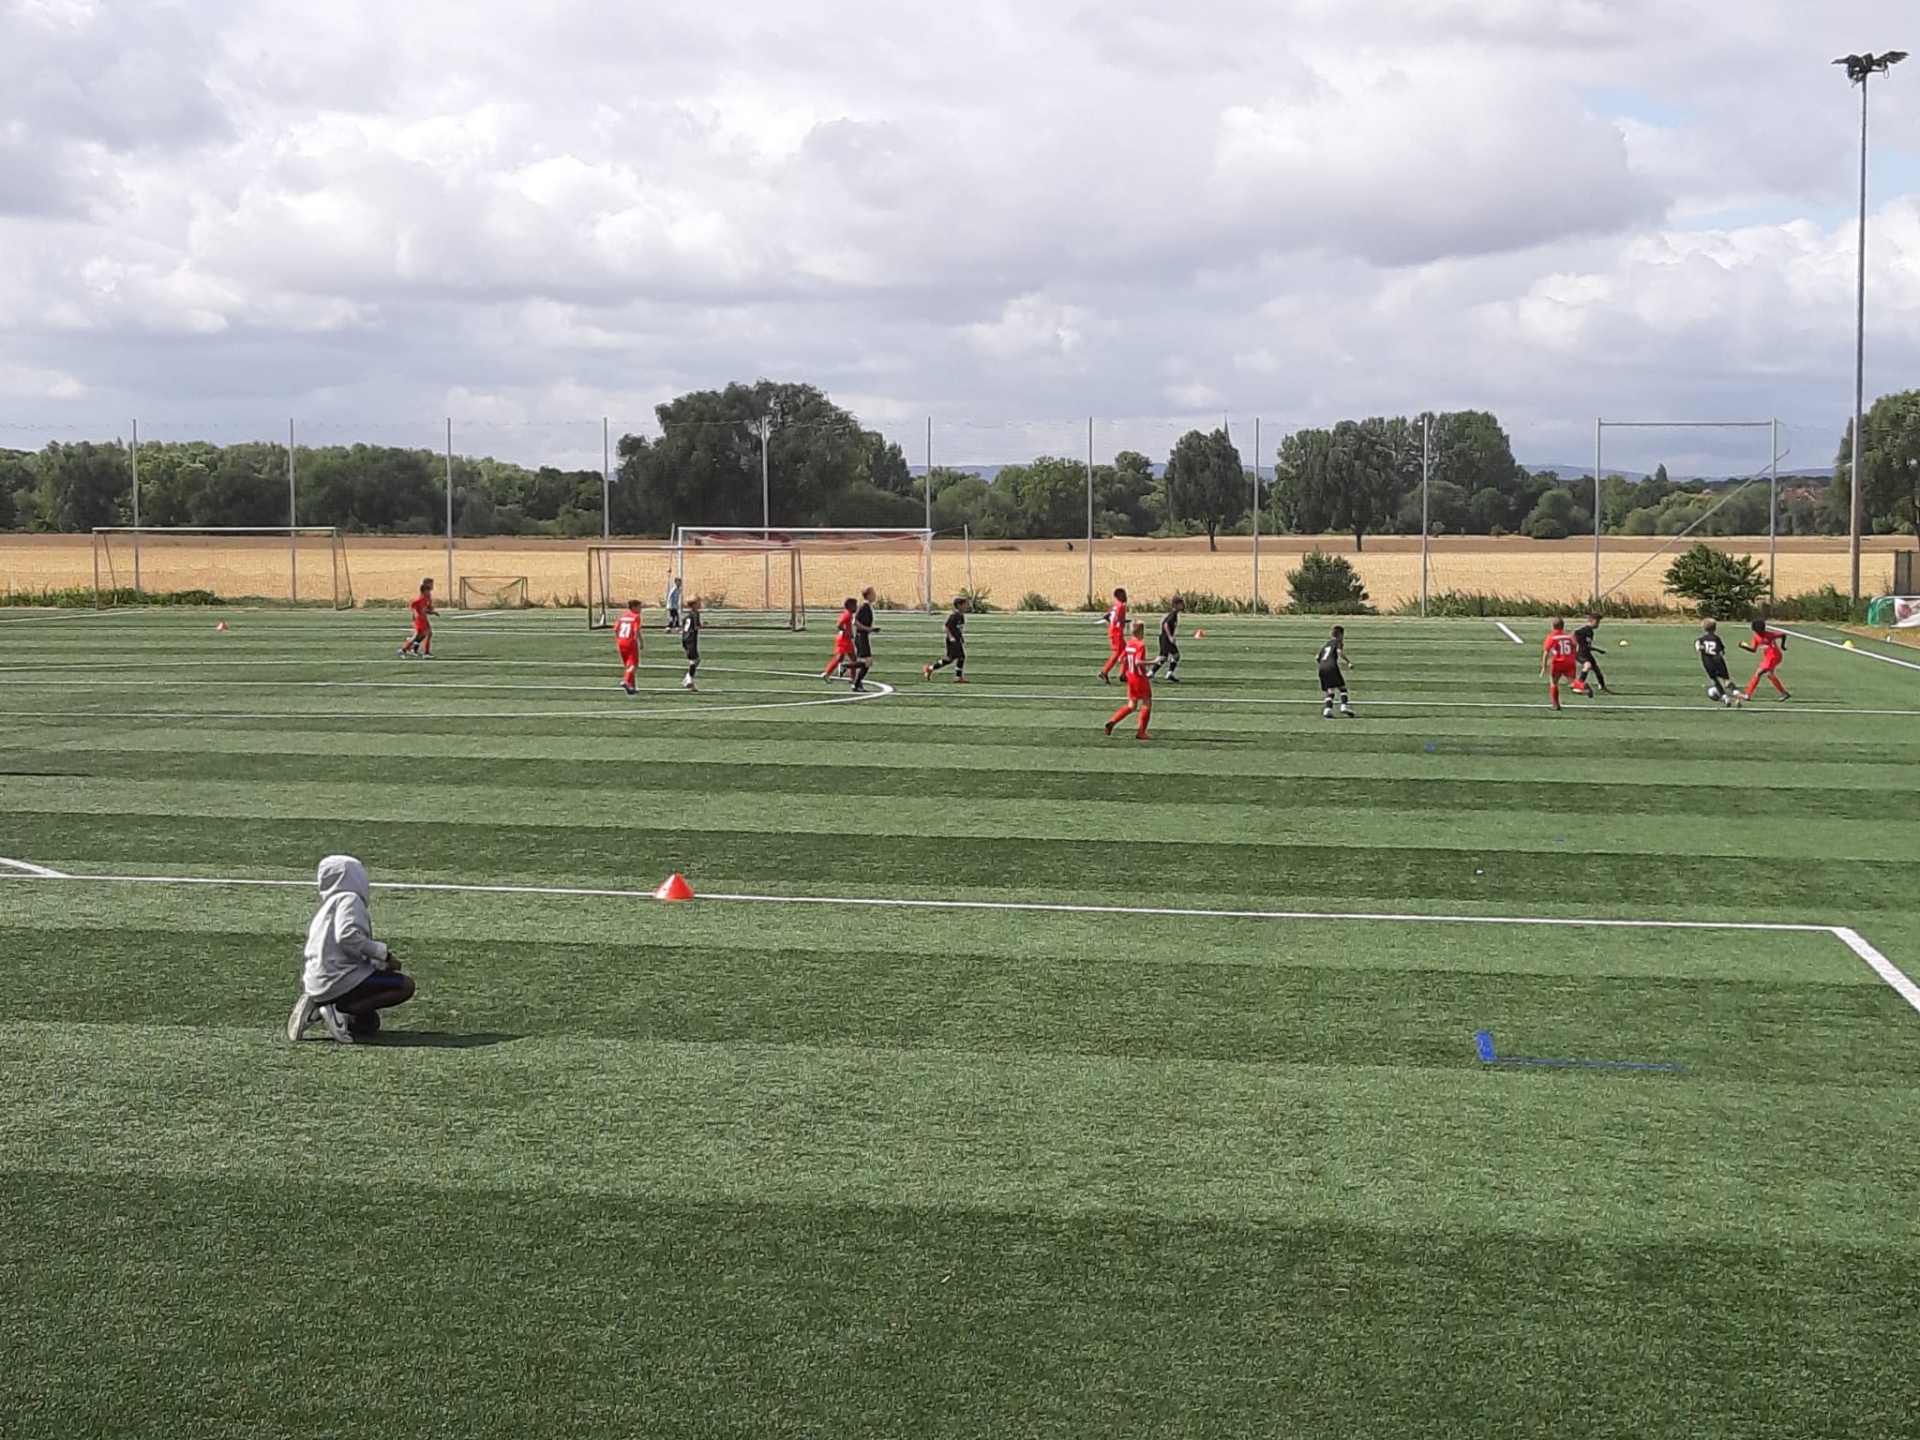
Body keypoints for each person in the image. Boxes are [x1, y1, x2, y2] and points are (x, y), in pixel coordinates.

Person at [287, 854, 415, 1044]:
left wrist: (375, 964)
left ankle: (319, 1004)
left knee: (368, 1023)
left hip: (317, 980)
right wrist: (384, 956)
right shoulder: (350, 899)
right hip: (338, 979)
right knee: (405, 986)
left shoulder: (327, 908)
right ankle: (339, 1009)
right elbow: (348, 937)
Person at [1105, 620, 1153, 740]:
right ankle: (1141, 732)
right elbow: (1138, 662)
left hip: (1130, 677)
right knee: (1147, 702)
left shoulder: (1129, 643)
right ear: (1141, 631)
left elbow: (1121, 659)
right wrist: (1154, 661)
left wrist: (1124, 670)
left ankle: (1112, 721)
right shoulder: (1140, 645)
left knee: (1132, 705)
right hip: (1140, 678)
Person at [1695, 618, 1743, 707]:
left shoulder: (1700, 639)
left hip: (1708, 662)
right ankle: (1735, 692)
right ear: (1715, 628)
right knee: (1726, 680)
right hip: (1718, 660)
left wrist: (1703, 648)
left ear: (1704, 628)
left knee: (1715, 680)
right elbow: (1722, 651)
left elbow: (1698, 648)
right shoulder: (1717, 638)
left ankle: (1725, 698)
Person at [1741, 616, 1790, 700]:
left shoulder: (1769, 634)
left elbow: (1783, 635)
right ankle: (1784, 693)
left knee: (1759, 673)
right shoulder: (1756, 637)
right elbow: (1753, 649)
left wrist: (1782, 646)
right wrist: (1744, 646)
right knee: (1769, 674)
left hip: (1774, 656)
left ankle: (1747, 694)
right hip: (1768, 657)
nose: (1760, 632)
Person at [925, 596, 970, 682]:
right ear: (959, 605)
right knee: (961, 657)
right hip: (952, 641)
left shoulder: (961, 616)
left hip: (957, 640)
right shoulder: (954, 616)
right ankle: (958, 677)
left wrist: (961, 638)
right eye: (964, 605)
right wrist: (951, 637)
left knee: (949, 659)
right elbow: (946, 626)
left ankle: (930, 668)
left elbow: (959, 629)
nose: (966, 607)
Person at [1540, 617, 1579, 711]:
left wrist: (1543, 667)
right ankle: (1583, 686)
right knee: (1572, 682)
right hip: (1569, 661)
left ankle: (1556, 704)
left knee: (1553, 682)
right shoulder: (1568, 637)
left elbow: (1546, 652)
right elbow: (1575, 647)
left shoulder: (1552, 636)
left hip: (1558, 662)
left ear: (1553, 626)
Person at [1318, 625, 1354, 718]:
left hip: (1322, 667)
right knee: (1342, 688)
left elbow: (1317, 657)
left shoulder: (1327, 644)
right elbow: (1339, 651)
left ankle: (1327, 709)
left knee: (1330, 690)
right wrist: (1348, 662)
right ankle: (1344, 706)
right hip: (1331, 666)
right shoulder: (1338, 642)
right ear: (1340, 634)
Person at [1573, 613, 1610, 695]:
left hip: (1587, 653)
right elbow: (1574, 634)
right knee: (1588, 665)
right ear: (1591, 620)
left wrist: (1598, 650)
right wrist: (1576, 645)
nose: (1598, 624)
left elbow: (1587, 646)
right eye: (1597, 622)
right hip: (1581, 653)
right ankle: (1578, 686)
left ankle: (1602, 686)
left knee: (1596, 670)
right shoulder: (1585, 630)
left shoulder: (1590, 632)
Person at [850, 587, 878, 692]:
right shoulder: (864, 607)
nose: (875, 595)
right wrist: (867, 629)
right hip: (861, 637)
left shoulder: (867, 606)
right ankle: (845, 668)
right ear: (869, 595)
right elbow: (855, 622)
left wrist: (872, 629)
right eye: (873, 593)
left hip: (863, 636)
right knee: (868, 662)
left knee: (866, 662)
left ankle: (857, 683)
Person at [1149, 597, 1185, 682]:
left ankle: (1151, 673)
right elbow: (1166, 624)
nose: (1182, 606)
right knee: (1174, 655)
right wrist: (1170, 637)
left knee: (1164, 657)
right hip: (1165, 638)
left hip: (1164, 638)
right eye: (1181, 604)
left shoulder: (1174, 614)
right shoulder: (1173, 614)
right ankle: (1168, 673)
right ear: (1175, 605)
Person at [398, 577, 435, 658]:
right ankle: (425, 653)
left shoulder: (428, 596)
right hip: (419, 619)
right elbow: (413, 605)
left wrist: (432, 611)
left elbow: (425, 608)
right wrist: (416, 613)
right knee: (426, 633)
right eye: (431, 584)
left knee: (422, 635)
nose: (432, 586)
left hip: (423, 618)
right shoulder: (422, 596)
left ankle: (407, 649)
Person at [1099, 588, 1130, 683]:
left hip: (1113, 630)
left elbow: (1107, 616)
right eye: (1124, 595)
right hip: (1117, 632)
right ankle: (1104, 671)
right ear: (1119, 596)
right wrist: (1125, 622)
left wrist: (1112, 624)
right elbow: (1118, 619)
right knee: (1118, 653)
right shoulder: (1121, 606)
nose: (1126, 597)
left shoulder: (1115, 605)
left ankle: (1123, 674)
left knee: (1125, 652)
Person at [824, 597, 857, 681]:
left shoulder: (849, 614)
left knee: (851, 658)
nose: (856, 607)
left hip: (846, 639)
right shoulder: (847, 614)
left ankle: (852, 677)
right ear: (850, 606)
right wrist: (847, 632)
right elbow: (839, 625)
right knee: (842, 658)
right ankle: (827, 673)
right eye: (854, 605)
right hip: (843, 640)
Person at [615, 598, 644, 693]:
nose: (640, 609)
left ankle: (632, 687)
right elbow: (636, 630)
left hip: (621, 641)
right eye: (639, 607)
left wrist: (618, 639)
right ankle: (626, 681)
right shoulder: (636, 617)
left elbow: (616, 629)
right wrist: (640, 641)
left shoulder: (622, 616)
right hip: (630, 642)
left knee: (628, 665)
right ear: (634, 607)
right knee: (634, 665)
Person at [680, 596, 703, 691]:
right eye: (698, 602)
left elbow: (684, 625)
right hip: (691, 639)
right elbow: (696, 626)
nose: (700, 604)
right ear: (694, 605)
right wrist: (703, 625)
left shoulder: (688, 615)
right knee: (694, 660)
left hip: (685, 638)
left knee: (696, 660)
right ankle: (689, 680)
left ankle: (688, 678)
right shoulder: (695, 614)